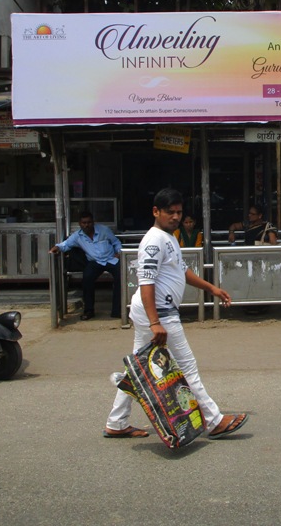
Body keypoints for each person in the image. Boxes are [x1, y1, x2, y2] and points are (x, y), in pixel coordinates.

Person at [104, 188, 249, 440]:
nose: (175, 217)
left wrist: (211, 287)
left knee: (138, 369)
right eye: (169, 212)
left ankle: (116, 422)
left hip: (157, 312)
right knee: (186, 366)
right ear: (155, 212)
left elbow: (182, 271)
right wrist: (155, 322)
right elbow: (146, 282)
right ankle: (214, 421)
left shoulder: (169, 237)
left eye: (179, 212)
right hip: (159, 313)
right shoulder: (154, 240)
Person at [50, 211, 122, 321]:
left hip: (111, 259)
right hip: (95, 262)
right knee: (87, 279)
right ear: (80, 223)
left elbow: (116, 242)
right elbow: (66, 244)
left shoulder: (104, 230)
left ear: (93, 222)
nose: (86, 225)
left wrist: (118, 253)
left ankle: (117, 311)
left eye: (89, 222)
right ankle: (89, 311)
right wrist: (56, 248)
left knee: (121, 277)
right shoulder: (77, 236)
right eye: (84, 223)